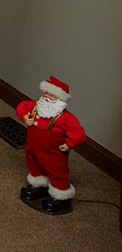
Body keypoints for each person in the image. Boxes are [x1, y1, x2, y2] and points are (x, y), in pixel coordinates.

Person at [16, 76, 86, 215]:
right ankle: (39, 185)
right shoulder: (36, 106)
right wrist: (24, 116)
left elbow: (79, 133)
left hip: (53, 153)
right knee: (34, 164)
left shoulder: (66, 118)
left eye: (52, 95)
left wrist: (69, 144)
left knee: (57, 172)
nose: (47, 97)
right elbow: (22, 106)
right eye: (46, 93)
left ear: (61, 98)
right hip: (34, 147)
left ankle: (61, 196)